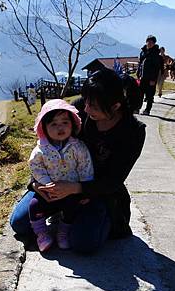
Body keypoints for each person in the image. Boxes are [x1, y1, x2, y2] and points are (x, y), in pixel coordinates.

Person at [9, 68, 146, 254]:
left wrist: (75, 188)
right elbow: (46, 147)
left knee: (83, 243)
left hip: (97, 193)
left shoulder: (133, 131)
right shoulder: (80, 108)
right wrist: (36, 184)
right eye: (87, 101)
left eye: (94, 107)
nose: (87, 109)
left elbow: (114, 180)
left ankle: (84, 219)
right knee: (19, 222)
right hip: (56, 182)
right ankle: (63, 214)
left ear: (115, 106)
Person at [28, 99, 94, 252]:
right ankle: (42, 234)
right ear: (44, 128)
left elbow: (85, 167)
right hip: (48, 191)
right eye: (53, 124)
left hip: (71, 191)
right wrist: (45, 183)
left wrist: (85, 189)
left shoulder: (78, 147)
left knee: (72, 208)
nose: (60, 127)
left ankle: (63, 232)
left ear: (73, 124)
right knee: (34, 206)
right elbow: (35, 167)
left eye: (65, 122)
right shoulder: (41, 150)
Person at [138, 35, 162, 115]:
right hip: (142, 76)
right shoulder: (143, 52)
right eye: (148, 41)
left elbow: (156, 68)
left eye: (151, 42)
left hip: (151, 78)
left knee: (150, 95)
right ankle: (137, 108)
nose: (149, 43)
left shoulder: (155, 53)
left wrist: (154, 79)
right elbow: (140, 63)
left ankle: (147, 110)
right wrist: (138, 73)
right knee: (140, 94)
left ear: (154, 43)